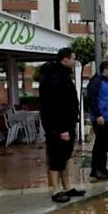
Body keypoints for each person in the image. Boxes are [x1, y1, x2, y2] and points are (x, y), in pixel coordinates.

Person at [39, 47, 84, 203]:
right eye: (73, 58)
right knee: (56, 158)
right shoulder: (53, 77)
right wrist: (60, 129)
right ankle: (55, 190)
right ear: (65, 59)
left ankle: (67, 186)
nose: (75, 61)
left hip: (67, 125)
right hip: (58, 127)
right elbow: (53, 106)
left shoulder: (63, 75)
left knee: (65, 157)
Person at [87, 61, 108, 180]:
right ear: (104, 70)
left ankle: (103, 168)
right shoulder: (96, 81)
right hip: (101, 119)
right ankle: (95, 170)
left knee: (105, 145)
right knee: (99, 145)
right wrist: (98, 115)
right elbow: (92, 99)